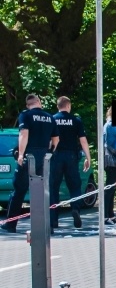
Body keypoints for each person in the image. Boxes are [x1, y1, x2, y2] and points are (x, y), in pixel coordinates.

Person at [2, 94, 59, 233]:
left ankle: (10, 224)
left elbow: (24, 134)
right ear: (39, 102)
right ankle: (48, 226)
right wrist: (50, 151)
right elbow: (56, 139)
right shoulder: (50, 117)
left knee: (19, 190)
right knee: (45, 191)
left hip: (29, 155)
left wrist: (21, 154)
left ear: (28, 105)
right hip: (44, 156)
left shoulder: (25, 115)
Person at [49, 96, 91, 229]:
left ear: (58, 106)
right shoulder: (76, 120)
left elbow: (49, 140)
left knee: (53, 187)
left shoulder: (52, 119)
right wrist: (88, 158)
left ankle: (53, 219)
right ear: (69, 106)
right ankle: (76, 209)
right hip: (72, 157)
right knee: (75, 186)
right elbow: (83, 140)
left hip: (56, 156)